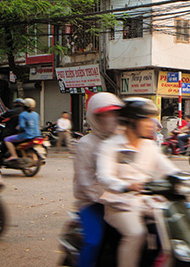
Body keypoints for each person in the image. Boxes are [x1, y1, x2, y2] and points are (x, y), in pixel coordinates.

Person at [97, 98, 190, 267]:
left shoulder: (149, 146)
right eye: (146, 119)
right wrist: (125, 185)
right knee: (136, 233)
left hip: (147, 202)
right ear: (132, 121)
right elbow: (104, 176)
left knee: (175, 230)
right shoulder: (110, 146)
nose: (151, 124)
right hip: (120, 204)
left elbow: (169, 170)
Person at [73, 92, 124, 267]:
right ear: (95, 117)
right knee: (94, 242)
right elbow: (86, 183)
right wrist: (110, 198)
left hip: (123, 200)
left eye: (115, 113)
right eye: (105, 114)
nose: (111, 118)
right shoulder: (86, 144)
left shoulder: (122, 141)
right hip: (92, 203)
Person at [4, 98, 39, 162]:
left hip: (27, 135)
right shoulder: (36, 114)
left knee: (7, 139)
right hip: (36, 135)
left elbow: (21, 126)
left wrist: (17, 129)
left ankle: (14, 155)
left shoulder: (22, 114)